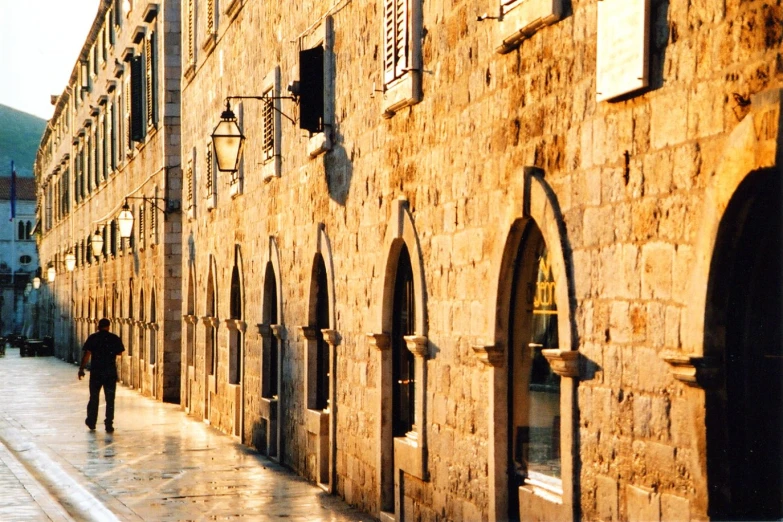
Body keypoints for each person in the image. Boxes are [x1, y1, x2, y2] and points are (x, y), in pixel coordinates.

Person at [78, 318, 124, 432]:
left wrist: (81, 369)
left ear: (98, 326)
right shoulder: (114, 338)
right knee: (110, 399)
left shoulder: (93, 338)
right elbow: (119, 352)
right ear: (108, 326)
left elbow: (87, 354)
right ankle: (109, 423)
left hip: (96, 372)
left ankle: (91, 421)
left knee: (94, 397)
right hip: (110, 372)